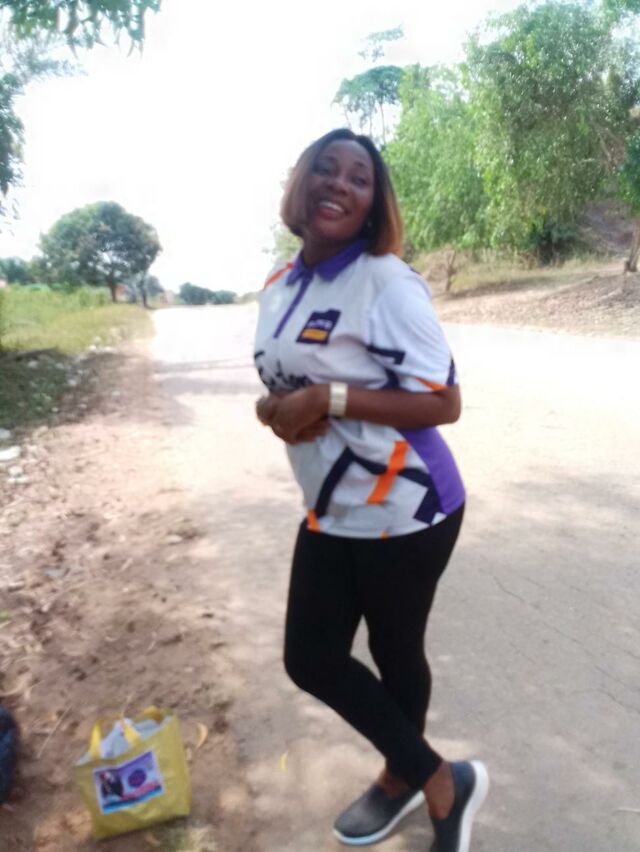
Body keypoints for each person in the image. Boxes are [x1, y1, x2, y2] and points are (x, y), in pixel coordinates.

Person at [254, 128, 488, 852]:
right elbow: (281, 383)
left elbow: (444, 402)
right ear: (301, 183)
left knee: (394, 649)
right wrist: (274, 409)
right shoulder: (279, 285)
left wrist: (329, 399)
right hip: (330, 506)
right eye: (326, 169)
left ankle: (407, 778)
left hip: (408, 505)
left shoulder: (386, 282)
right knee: (310, 657)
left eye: (359, 178)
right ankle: (437, 775)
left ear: (372, 203)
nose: (339, 183)